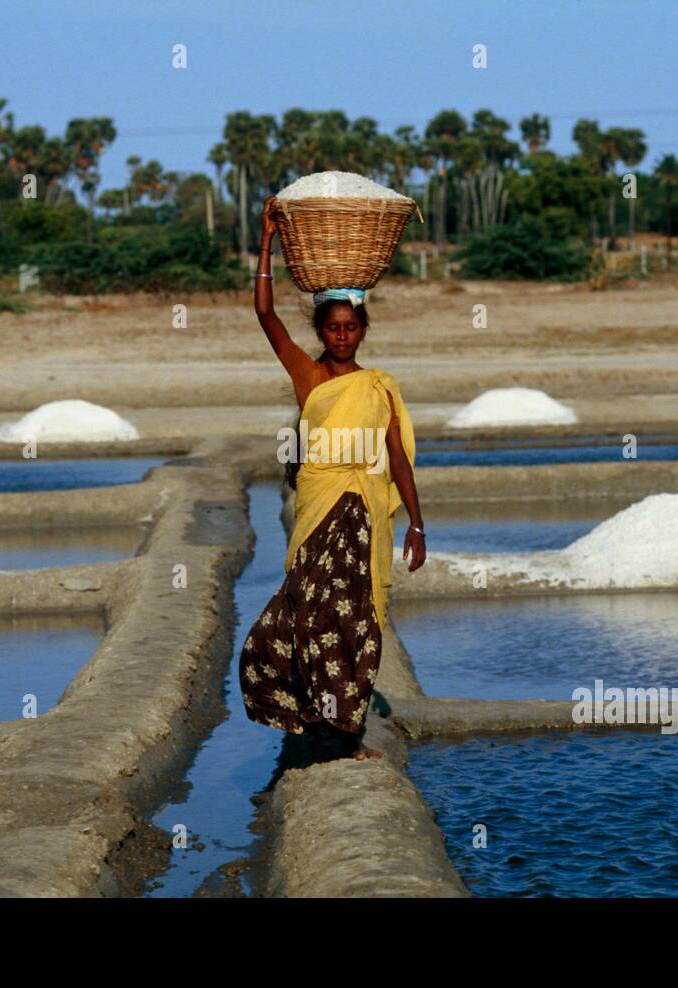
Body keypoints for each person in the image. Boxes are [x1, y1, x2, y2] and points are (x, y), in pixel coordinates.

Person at [240, 195, 426, 761]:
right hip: (319, 510)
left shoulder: (379, 387)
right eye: (334, 328)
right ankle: (306, 720)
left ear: (362, 330)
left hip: (365, 516)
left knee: (358, 621)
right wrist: (268, 239)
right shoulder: (309, 373)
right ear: (322, 330)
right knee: (303, 615)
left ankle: (347, 734)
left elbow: (396, 457)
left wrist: (417, 523)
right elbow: (266, 316)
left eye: (350, 327)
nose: (342, 336)